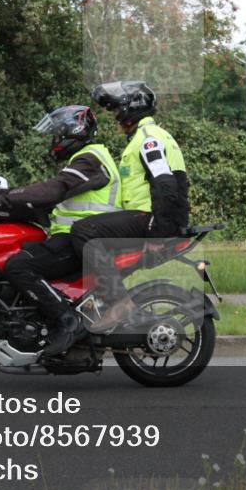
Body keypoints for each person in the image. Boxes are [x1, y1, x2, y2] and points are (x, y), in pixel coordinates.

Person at [0, 105, 122, 355]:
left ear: (73, 131)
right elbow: (48, 200)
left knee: (19, 266)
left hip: (84, 240)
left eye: (57, 133)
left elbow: (51, 190)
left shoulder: (90, 159)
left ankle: (67, 320)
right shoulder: (82, 161)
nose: (54, 139)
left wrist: (4, 197)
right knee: (20, 250)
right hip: (75, 238)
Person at [70, 81, 189, 332]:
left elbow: (165, 183)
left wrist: (159, 232)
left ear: (130, 109)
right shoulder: (147, 137)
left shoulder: (148, 139)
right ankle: (95, 302)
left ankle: (119, 302)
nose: (114, 116)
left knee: (82, 231)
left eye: (116, 109)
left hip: (150, 219)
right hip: (149, 216)